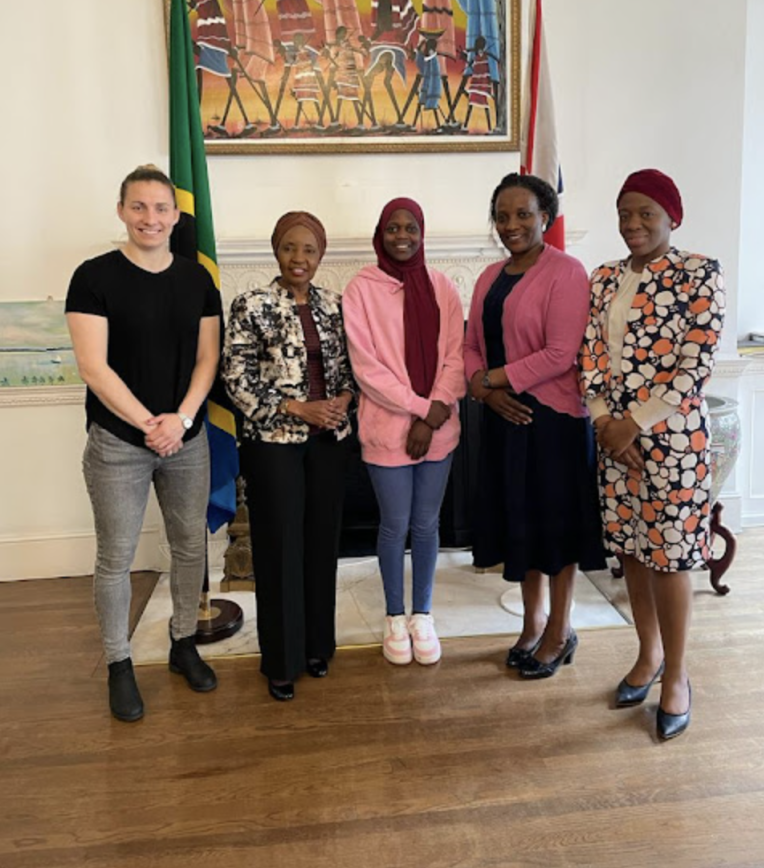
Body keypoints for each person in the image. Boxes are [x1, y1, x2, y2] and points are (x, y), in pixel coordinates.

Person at [65, 166, 221, 723]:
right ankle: (119, 663)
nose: (150, 218)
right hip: (117, 444)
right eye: (139, 207)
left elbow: (208, 359)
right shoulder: (93, 277)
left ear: (175, 216)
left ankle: (183, 643)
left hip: (188, 438)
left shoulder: (197, 279)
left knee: (188, 547)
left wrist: (178, 420)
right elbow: (93, 367)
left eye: (160, 209)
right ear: (121, 210)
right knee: (116, 558)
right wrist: (150, 425)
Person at [580, 169, 725, 740]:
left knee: (672, 557)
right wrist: (604, 424)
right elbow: (589, 355)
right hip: (613, 438)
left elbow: (696, 363)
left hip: (674, 441)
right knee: (633, 552)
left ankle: (678, 676)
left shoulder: (699, 273)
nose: (633, 224)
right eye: (624, 214)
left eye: (645, 213)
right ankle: (648, 655)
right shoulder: (604, 278)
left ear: (672, 217)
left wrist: (633, 426)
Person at [464, 173, 605, 680]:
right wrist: (485, 391)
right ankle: (533, 622)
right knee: (519, 526)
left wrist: (493, 379)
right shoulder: (488, 277)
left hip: (553, 423)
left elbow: (561, 353)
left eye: (523, 214)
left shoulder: (567, 271)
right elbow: (470, 346)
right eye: (502, 216)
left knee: (556, 531)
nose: (512, 225)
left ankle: (561, 630)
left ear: (545, 216)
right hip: (505, 421)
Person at [221, 212, 355, 702]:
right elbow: (236, 378)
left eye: (310, 251)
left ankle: (318, 646)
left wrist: (343, 399)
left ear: (321, 256)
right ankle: (281, 661)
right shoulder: (250, 305)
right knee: (279, 548)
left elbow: (348, 370)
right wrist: (298, 406)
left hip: (329, 442)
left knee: (321, 545)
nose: (300, 259)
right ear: (276, 250)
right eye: (290, 248)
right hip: (272, 443)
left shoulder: (336, 306)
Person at [342, 199, 466, 666]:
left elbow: (455, 355)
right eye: (392, 227)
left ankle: (422, 614)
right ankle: (394, 616)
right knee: (394, 526)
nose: (402, 235)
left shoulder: (442, 286)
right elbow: (366, 368)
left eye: (410, 227)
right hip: (387, 429)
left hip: (438, 428)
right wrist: (419, 410)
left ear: (422, 232)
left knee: (427, 525)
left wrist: (432, 416)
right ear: (381, 232)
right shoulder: (360, 289)